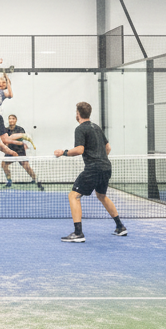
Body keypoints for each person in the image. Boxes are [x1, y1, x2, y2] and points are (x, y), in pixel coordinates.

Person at [54, 101, 126, 242]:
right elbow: (108, 148)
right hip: (106, 167)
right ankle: (120, 227)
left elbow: (79, 150)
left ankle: (78, 233)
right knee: (101, 195)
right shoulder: (97, 127)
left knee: (73, 195)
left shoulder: (80, 129)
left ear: (78, 114)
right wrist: (100, 158)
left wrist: (63, 152)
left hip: (93, 168)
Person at [1, 114, 44, 190]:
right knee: (4, 164)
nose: (11, 120)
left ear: (16, 120)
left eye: (13, 118)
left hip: (20, 151)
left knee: (27, 167)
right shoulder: (5, 130)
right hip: (10, 151)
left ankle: (37, 181)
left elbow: (21, 140)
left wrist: (15, 142)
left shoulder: (20, 129)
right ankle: (9, 181)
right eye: (10, 119)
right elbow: (6, 141)